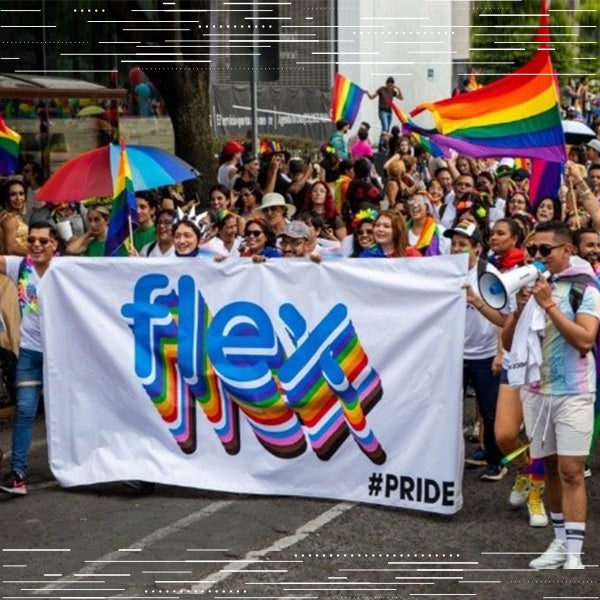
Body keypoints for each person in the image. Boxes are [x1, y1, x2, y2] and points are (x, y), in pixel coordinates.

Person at [502, 220, 600, 570]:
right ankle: (558, 544)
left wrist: (550, 306)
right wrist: (518, 311)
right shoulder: (531, 288)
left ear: (567, 251)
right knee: (553, 469)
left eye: (546, 250)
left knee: (573, 470)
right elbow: (508, 344)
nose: (537, 256)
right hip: (536, 392)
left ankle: (574, 551)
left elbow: (585, 340)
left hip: (573, 390)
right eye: (533, 250)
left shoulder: (585, 288)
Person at [0, 222, 59, 495]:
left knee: (74, 411)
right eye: (32, 240)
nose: (37, 245)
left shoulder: (66, 271)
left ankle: (91, 466)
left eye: (43, 241)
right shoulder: (19, 266)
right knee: (24, 411)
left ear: (54, 244)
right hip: (30, 353)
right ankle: (18, 474)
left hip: (63, 355)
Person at [446, 221, 507, 481]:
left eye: (463, 245)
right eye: (453, 244)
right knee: (450, 408)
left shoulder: (488, 275)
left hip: (484, 355)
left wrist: (500, 353)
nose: (457, 249)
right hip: (454, 354)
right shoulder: (445, 272)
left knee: (489, 410)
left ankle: (497, 460)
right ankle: (452, 459)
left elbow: (504, 317)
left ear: (477, 249)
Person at [367, 77, 403, 151]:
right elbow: (372, 97)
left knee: (386, 129)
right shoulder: (381, 89)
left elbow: (401, 98)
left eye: (392, 86)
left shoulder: (393, 91)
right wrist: (367, 93)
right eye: (389, 85)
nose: (390, 87)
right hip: (382, 111)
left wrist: (398, 89)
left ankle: (384, 144)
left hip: (389, 111)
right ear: (386, 84)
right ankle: (381, 145)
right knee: (385, 127)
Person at [0, 178, 29, 256]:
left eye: (21, 194)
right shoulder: (10, 219)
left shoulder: (12, 216)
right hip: (13, 264)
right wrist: (32, 254)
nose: (18, 198)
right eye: (13, 194)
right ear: (6, 197)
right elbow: (9, 250)